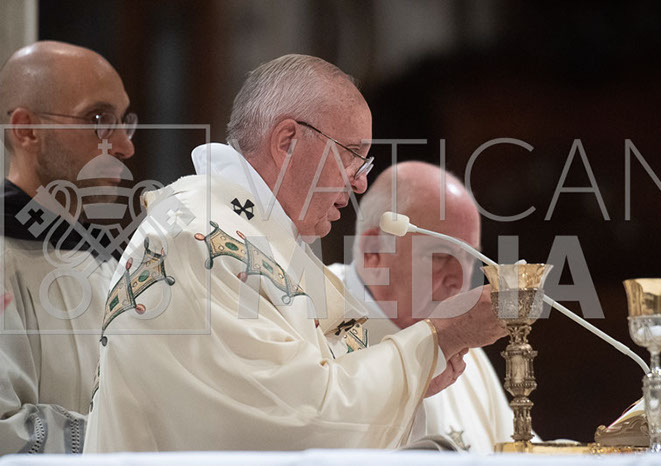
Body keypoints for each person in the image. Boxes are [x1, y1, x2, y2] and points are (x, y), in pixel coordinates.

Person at [84, 54, 506, 452]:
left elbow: (314, 382)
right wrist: (438, 338)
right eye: (353, 156)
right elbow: (300, 419)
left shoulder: (255, 240)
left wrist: (415, 375)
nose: (360, 182)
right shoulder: (200, 241)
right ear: (287, 141)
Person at [0, 41, 136, 454]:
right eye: (99, 120)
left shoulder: (113, 263)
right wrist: (144, 439)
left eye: (124, 122)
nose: (125, 146)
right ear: (27, 130)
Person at [329, 161, 514, 452]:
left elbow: (518, 452)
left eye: (469, 257)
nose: (460, 279)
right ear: (374, 252)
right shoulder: (313, 317)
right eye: (440, 255)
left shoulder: (464, 345)